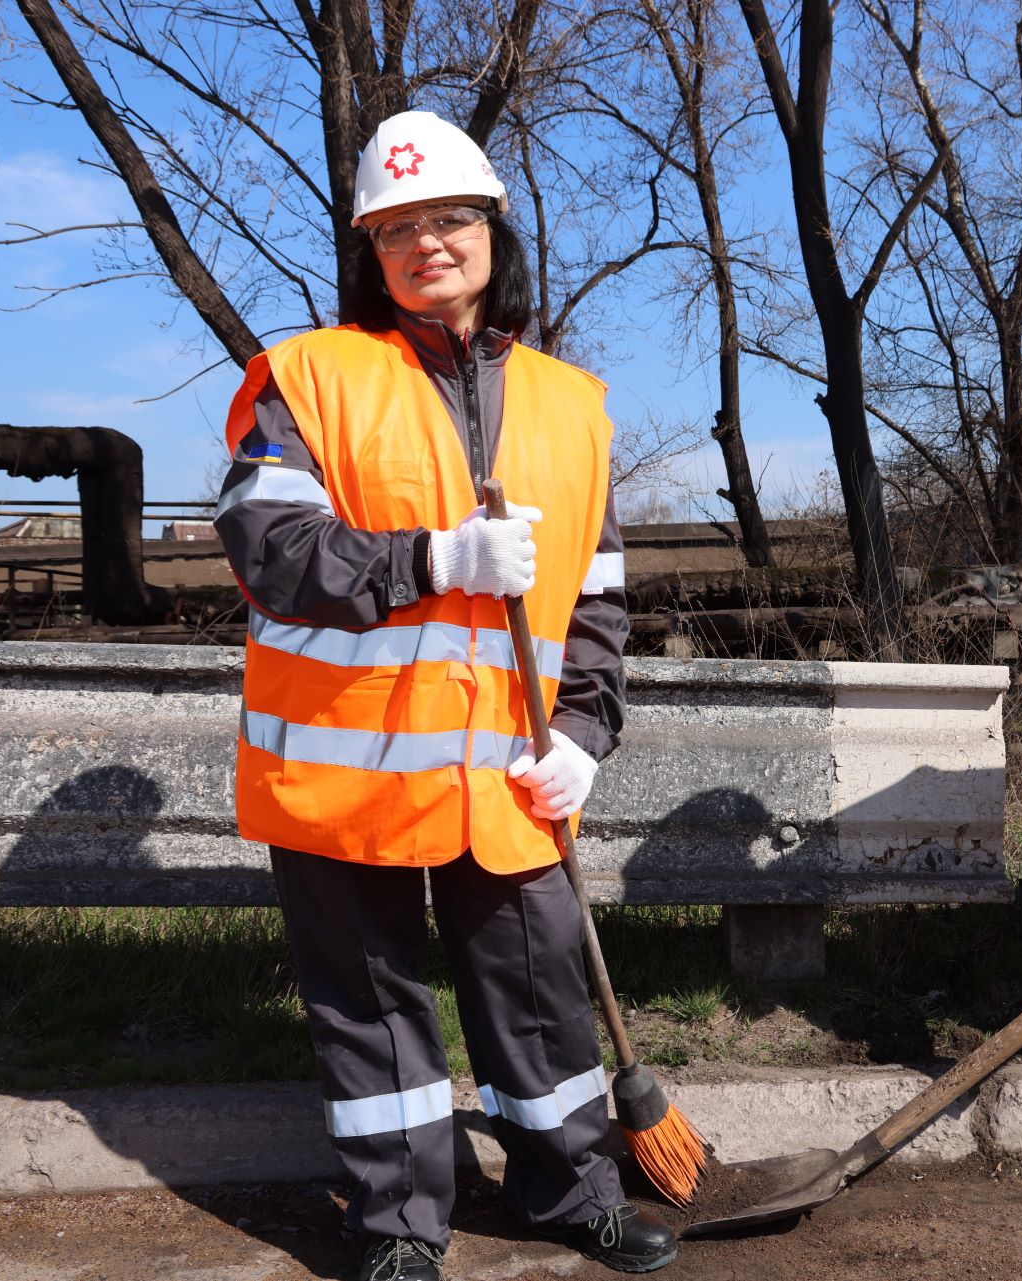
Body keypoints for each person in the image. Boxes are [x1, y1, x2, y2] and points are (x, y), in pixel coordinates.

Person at [213, 110, 675, 1280]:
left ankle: (572, 1192)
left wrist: (584, 732)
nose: (429, 242)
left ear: (492, 228)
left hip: (510, 775)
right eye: (398, 227)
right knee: (373, 1014)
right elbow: (267, 547)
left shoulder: (574, 405)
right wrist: (432, 560)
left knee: (539, 997)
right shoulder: (307, 377)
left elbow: (600, 601)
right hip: (343, 776)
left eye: (450, 218)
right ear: (371, 250)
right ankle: (400, 1228)